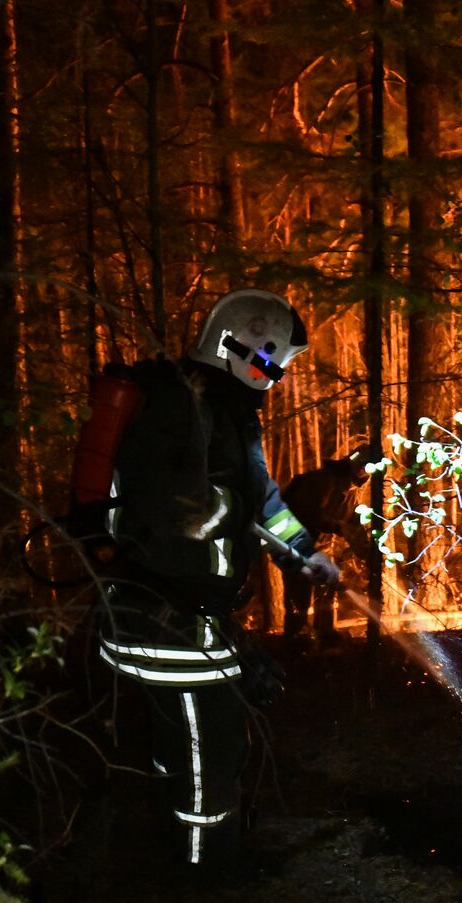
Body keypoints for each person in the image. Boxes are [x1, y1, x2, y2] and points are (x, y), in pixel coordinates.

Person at [94, 288, 337, 870]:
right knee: (213, 740)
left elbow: (261, 499)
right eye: (273, 361)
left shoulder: (221, 410)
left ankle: (175, 836)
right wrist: (235, 516)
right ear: (244, 348)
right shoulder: (186, 410)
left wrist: (302, 551)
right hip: (168, 618)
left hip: (157, 615)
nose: (276, 375)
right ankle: (207, 862)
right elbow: (187, 511)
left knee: (178, 739)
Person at [279, 443, 376, 647]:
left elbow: (352, 523)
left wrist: (367, 552)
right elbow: (307, 512)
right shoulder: (323, 481)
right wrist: (336, 526)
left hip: (315, 547)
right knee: (300, 592)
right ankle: (296, 639)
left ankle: (325, 633)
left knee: (327, 586)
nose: (362, 469)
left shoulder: (348, 490)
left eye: (367, 466)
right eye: (361, 464)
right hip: (295, 543)